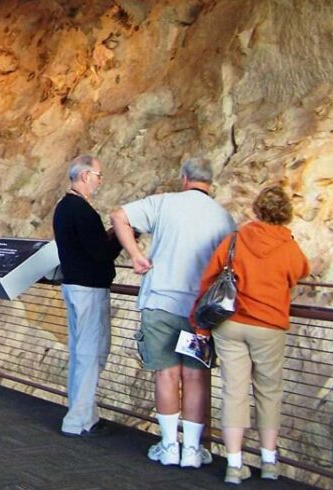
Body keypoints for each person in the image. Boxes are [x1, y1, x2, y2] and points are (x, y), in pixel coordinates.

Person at [110, 157, 235, 467]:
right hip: (200, 310)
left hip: (161, 302)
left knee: (166, 374)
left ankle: (168, 446)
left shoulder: (164, 203)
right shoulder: (224, 218)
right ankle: (192, 450)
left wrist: (137, 255)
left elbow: (118, 215)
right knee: (195, 377)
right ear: (210, 182)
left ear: (184, 178)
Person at [191, 186, 309, 484]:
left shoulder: (236, 240)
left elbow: (209, 278)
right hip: (269, 326)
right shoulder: (288, 246)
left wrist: (200, 323)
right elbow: (300, 272)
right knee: (269, 392)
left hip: (231, 324)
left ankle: (234, 464)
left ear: (257, 209)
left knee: (234, 391)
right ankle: (269, 461)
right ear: (286, 213)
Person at [53, 155, 122, 437]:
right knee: (91, 353)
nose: (100, 181)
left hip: (74, 285)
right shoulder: (82, 211)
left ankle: (84, 414)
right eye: (98, 175)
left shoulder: (63, 208)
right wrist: (121, 235)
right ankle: (78, 420)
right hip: (89, 288)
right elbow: (100, 252)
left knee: (83, 352)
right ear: (84, 176)